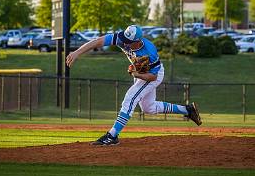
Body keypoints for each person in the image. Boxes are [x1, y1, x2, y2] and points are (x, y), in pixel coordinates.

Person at [66, 25, 202, 146]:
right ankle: (187, 110)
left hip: (152, 75)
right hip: (142, 73)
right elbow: (98, 41)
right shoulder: (121, 38)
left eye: (129, 42)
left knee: (130, 98)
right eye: (125, 40)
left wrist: (137, 75)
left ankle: (112, 135)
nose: (125, 43)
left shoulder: (149, 51)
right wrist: (77, 52)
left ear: (138, 41)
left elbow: (153, 76)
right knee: (148, 108)